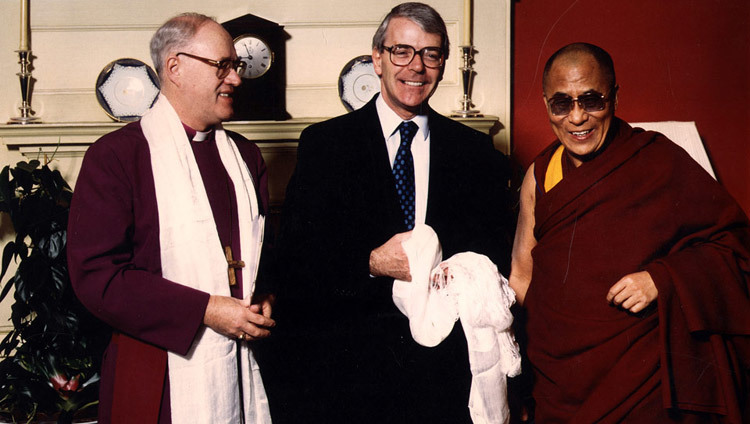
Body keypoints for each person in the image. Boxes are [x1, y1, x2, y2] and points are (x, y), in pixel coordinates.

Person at [257, 3, 515, 423]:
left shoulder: (475, 153)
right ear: (377, 58)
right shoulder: (326, 146)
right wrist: (372, 263)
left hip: (444, 378)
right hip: (352, 377)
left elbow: (493, 258)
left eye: (431, 54)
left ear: (443, 63)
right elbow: (295, 265)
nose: (416, 66)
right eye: (402, 51)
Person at [509, 42, 750, 423]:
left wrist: (661, 280)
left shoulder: (658, 161)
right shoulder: (540, 174)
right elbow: (522, 274)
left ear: (615, 97)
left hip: (638, 378)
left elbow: (735, 247)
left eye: (591, 100)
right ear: (546, 104)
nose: (576, 118)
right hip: (556, 380)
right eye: (562, 103)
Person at [67, 13, 276, 424]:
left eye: (235, 66)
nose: (235, 78)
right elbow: (98, 277)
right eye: (223, 65)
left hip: (242, 361)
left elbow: (261, 260)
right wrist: (206, 309)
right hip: (155, 371)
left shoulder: (246, 157)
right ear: (175, 67)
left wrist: (265, 298)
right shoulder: (117, 157)